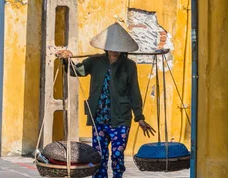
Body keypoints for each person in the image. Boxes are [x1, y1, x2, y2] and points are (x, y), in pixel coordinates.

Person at [56, 23, 156, 178]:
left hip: (121, 118)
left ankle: (117, 176)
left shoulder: (129, 65)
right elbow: (77, 71)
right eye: (111, 46)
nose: (114, 50)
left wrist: (139, 117)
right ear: (105, 47)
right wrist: (66, 60)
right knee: (99, 156)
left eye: (117, 47)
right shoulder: (94, 61)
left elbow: (134, 91)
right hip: (99, 118)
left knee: (117, 154)